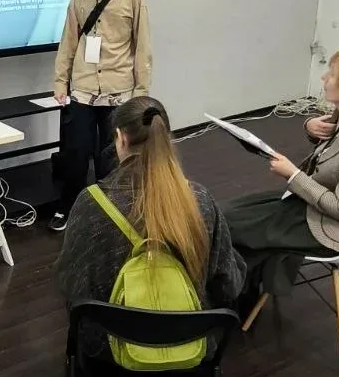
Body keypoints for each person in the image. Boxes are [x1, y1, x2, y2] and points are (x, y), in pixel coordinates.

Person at [56, 96, 245, 357]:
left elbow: (70, 285)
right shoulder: (201, 200)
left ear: (120, 138)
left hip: (108, 354)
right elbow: (228, 286)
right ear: (166, 138)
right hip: (190, 348)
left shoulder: (90, 203)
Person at [225, 50, 339, 313]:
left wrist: (293, 175)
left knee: (228, 224)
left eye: (331, 75)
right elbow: (328, 151)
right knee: (227, 213)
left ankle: (235, 293)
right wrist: (310, 127)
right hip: (307, 202)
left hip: (327, 227)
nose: (323, 78)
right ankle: (241, 290)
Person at [49, 0, 152, 233]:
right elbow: (68, 42)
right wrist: (60, 82)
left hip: (118, 91)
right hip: (82, 90)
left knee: (111, 157)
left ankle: (110, 211)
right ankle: (68, 207)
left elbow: (142, 46)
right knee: (75, 153)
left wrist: (141, 93)